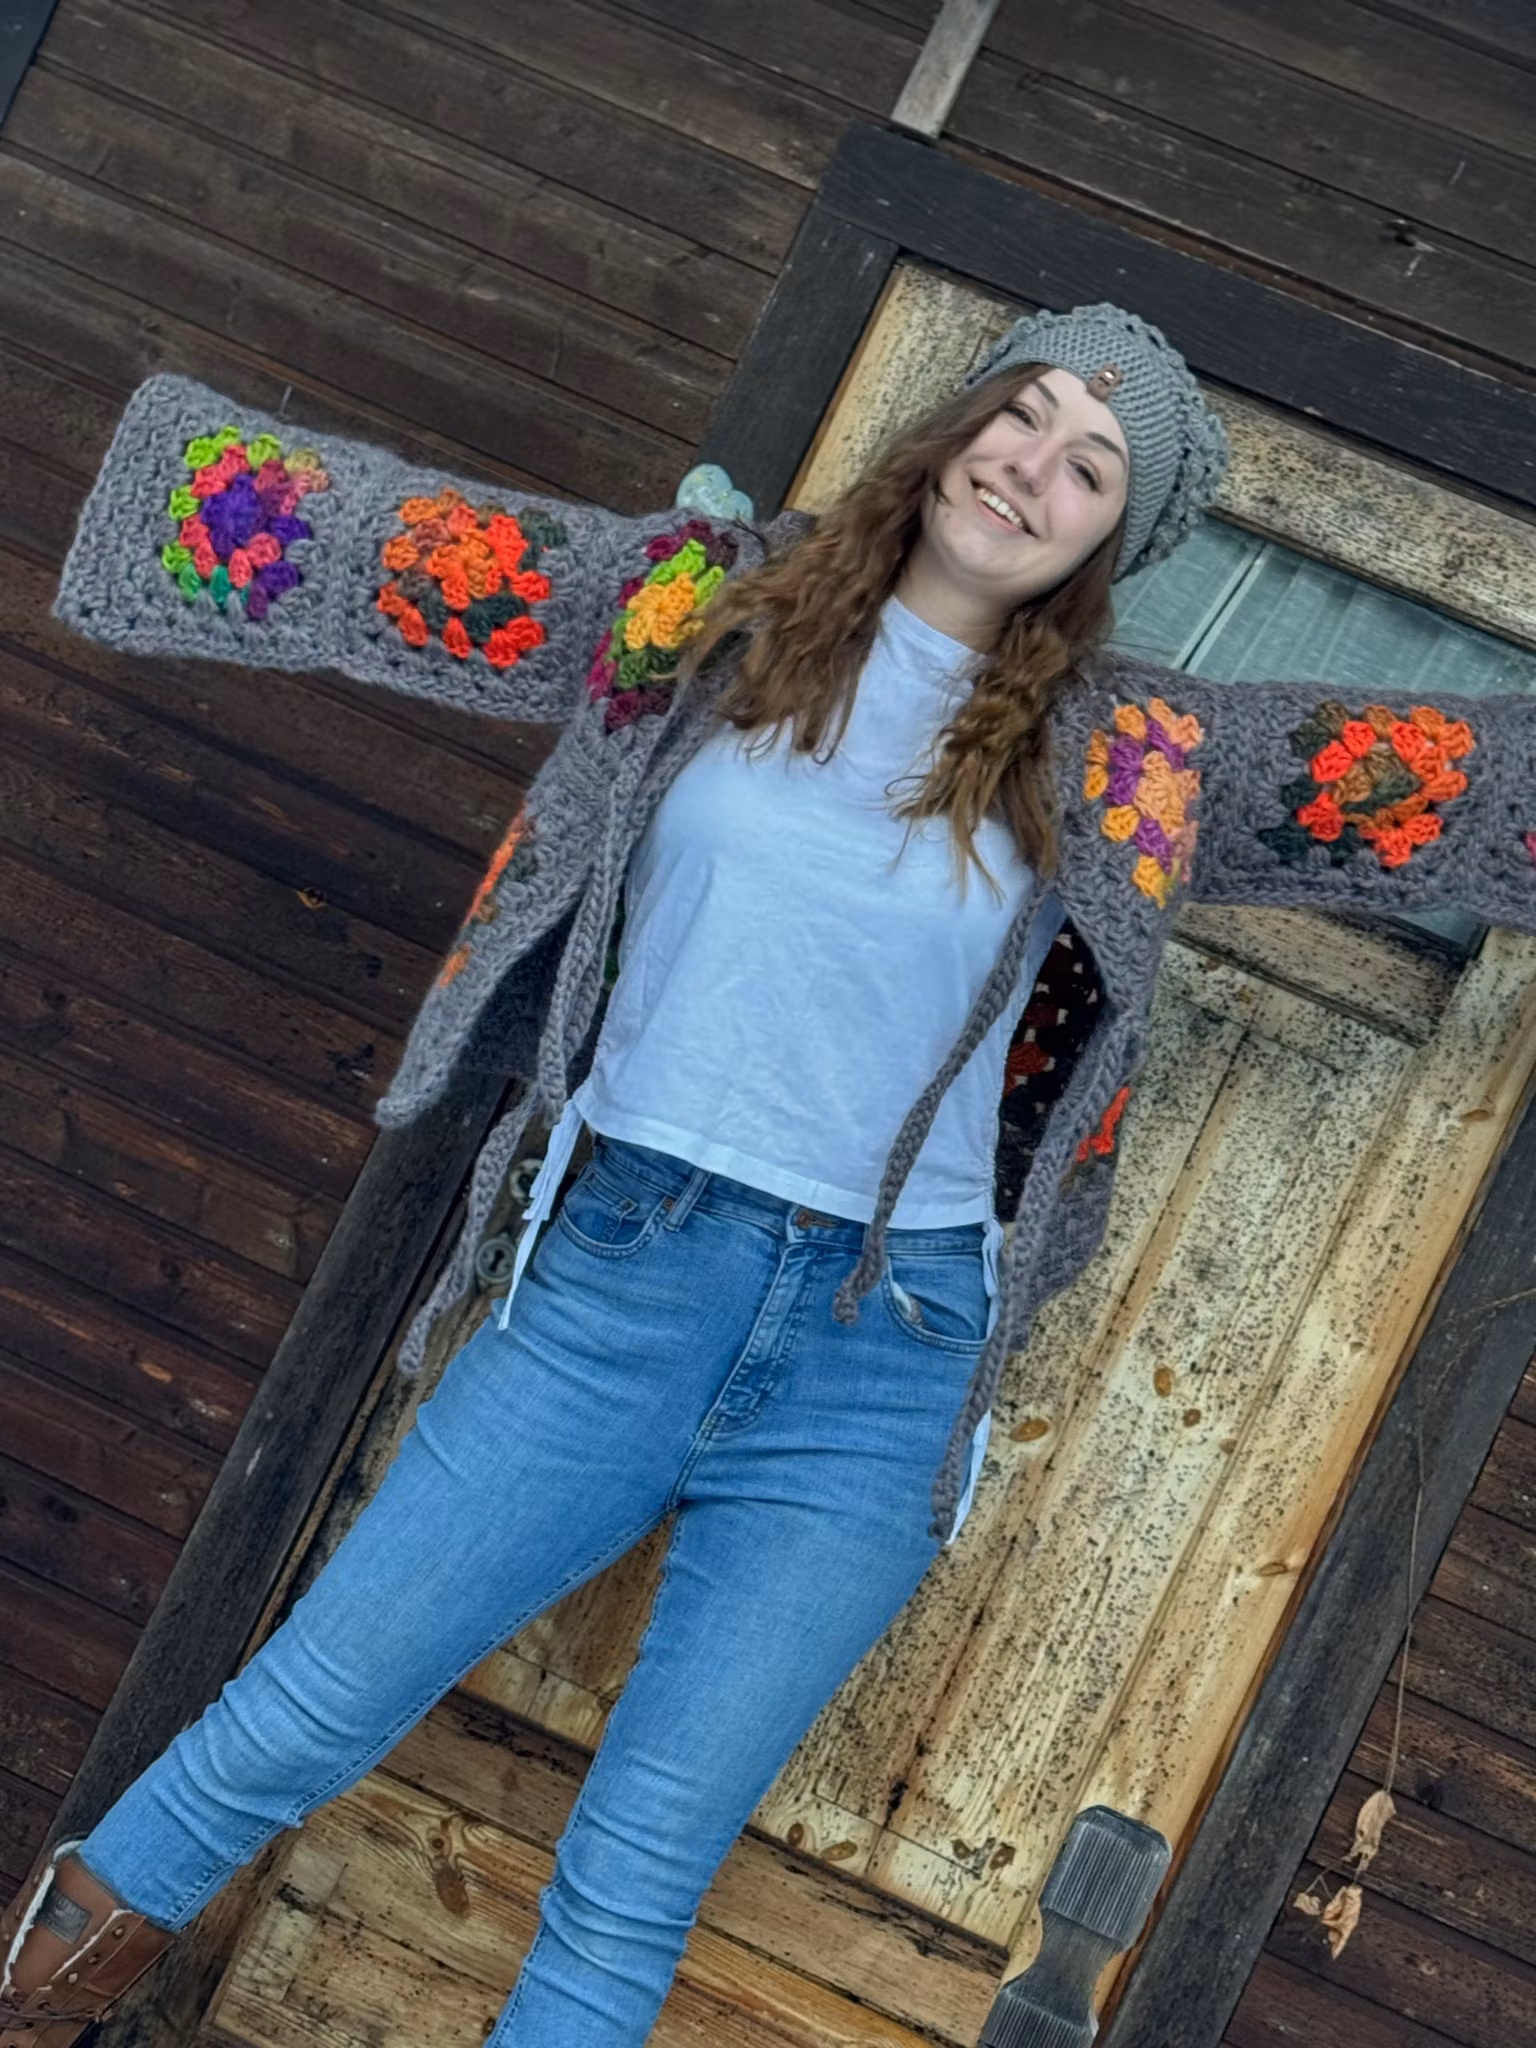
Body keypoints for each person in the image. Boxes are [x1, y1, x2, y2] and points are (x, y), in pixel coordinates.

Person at [4, 304, 1534, 2048]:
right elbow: (377, 546)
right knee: (294, 1719)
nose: (1031, 469)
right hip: (621, 1281)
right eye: (1023, 416)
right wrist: (155, 470)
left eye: (1089, 468)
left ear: (1111, 539)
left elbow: (1465, 788)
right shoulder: (702, 609)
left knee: (634, 1878)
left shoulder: (1136, 759)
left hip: (886, 1366)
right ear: (958, 425)